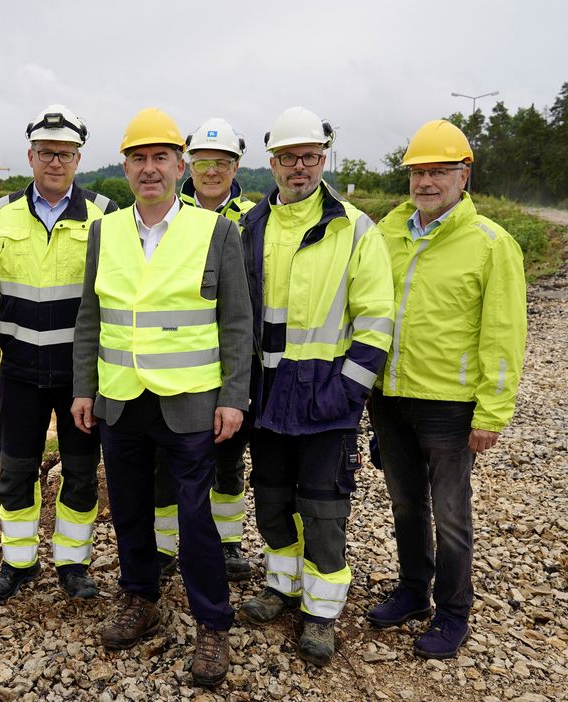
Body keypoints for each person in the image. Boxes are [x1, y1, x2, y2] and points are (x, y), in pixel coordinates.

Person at [71, 108, 252, 687]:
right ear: (124, 167)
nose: (149, 170)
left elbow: (237, 323)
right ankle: (141, 597)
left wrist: (233, 397)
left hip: (190, 401)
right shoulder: (106, 230)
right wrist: (84, 389)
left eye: (160, 159)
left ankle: (212, 622)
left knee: (195, 516)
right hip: (121, 398)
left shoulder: (217, 231)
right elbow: (90, 317)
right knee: (127, 507)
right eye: (138, 159)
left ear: (181, 165)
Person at [237, 106, 395, 665]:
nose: (298, 167)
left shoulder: (354, 228)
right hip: (268, 392)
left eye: (309, 156)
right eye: (287, 157)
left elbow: (377, 319)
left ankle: (323, 611)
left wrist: (348, 392)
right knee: (272, 500)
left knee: (324, 508)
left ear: (323, 159)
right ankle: (283, 585)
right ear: (272, 163)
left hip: (326, 395)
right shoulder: (251, 226)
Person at [367, 119, 527, 659]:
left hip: (450, 406)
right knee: (405, 505)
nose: (426, 182)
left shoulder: (490, 244)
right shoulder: (386, 234)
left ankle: (453, 611)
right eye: (418, 172)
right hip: (389, 398)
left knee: (451, 514)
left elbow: (504, 333)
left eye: (438, 171)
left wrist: (492, 411)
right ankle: (413, 591)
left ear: (464, 175)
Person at [0, 105, 118, 606]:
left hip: (81, 377)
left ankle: (73, 563)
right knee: (15, 469)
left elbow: (115, 299)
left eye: (66, 153)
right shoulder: (0, 215)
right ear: (30, 156)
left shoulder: (104, 213)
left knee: (79, 471)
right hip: (19, 373)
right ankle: (18, 563)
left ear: (78, 158)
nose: (56, 161)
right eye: (47, 153)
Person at [153, 117, 255, 581]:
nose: (211, 171)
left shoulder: (255, 218)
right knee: (166, 460)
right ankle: (163, 545)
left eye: (222, 163)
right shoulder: (165, 214)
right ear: (186, 165)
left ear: (236, 166)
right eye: (202, 162)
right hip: (176, 362)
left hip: (231, 359)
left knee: (229, 459)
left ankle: (228, 543)